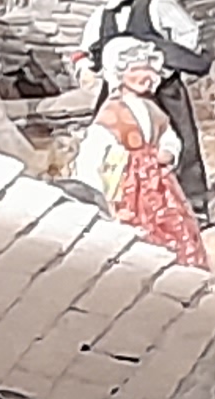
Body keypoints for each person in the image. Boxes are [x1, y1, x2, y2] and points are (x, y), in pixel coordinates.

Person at [79, 0, 215, 214]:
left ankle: (190, 204)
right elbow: (87, 49)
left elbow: (188, 38)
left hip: (161, 90)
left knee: (178, 138)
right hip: (117, 90)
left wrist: (156, 71)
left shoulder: (159, 6)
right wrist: (87, 69)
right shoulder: (102, 14)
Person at [81, 39, 208, 267]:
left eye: (148, 69)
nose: (145, 76)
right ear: (119, 74)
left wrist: (169, 151)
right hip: (126, 187)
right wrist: (96, 191)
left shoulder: (152, 108)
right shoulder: (111, 113)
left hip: (160, 186)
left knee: (174, 227)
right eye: (135, 70)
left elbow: (168, 134)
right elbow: (93, 155)